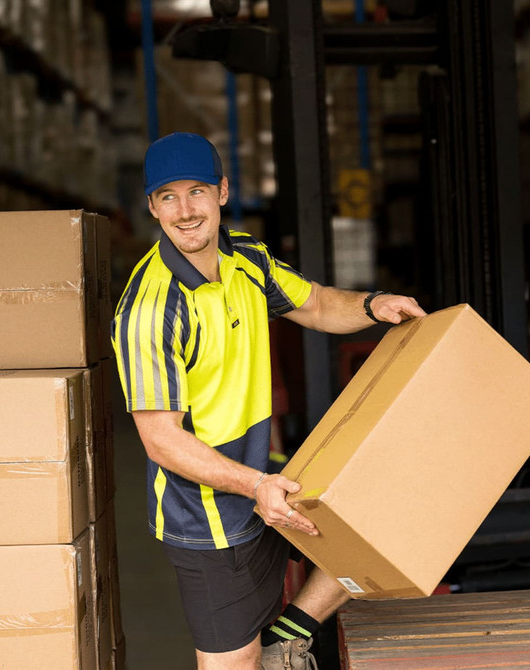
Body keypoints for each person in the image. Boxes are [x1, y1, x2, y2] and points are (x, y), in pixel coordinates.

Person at [111, 131, 426, 670]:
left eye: (197, 192)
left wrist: (376, 306)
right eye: (168, 197)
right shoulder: (151, 308)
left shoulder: (247, 260)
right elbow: (161, 439)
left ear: (223, 192)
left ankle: (292, 632)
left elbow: (321, 306)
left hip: (267, 477)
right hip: (207, 516)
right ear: (151, 207)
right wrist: (255, 486)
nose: (185, 211)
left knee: (380, 510)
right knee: (236, 664)